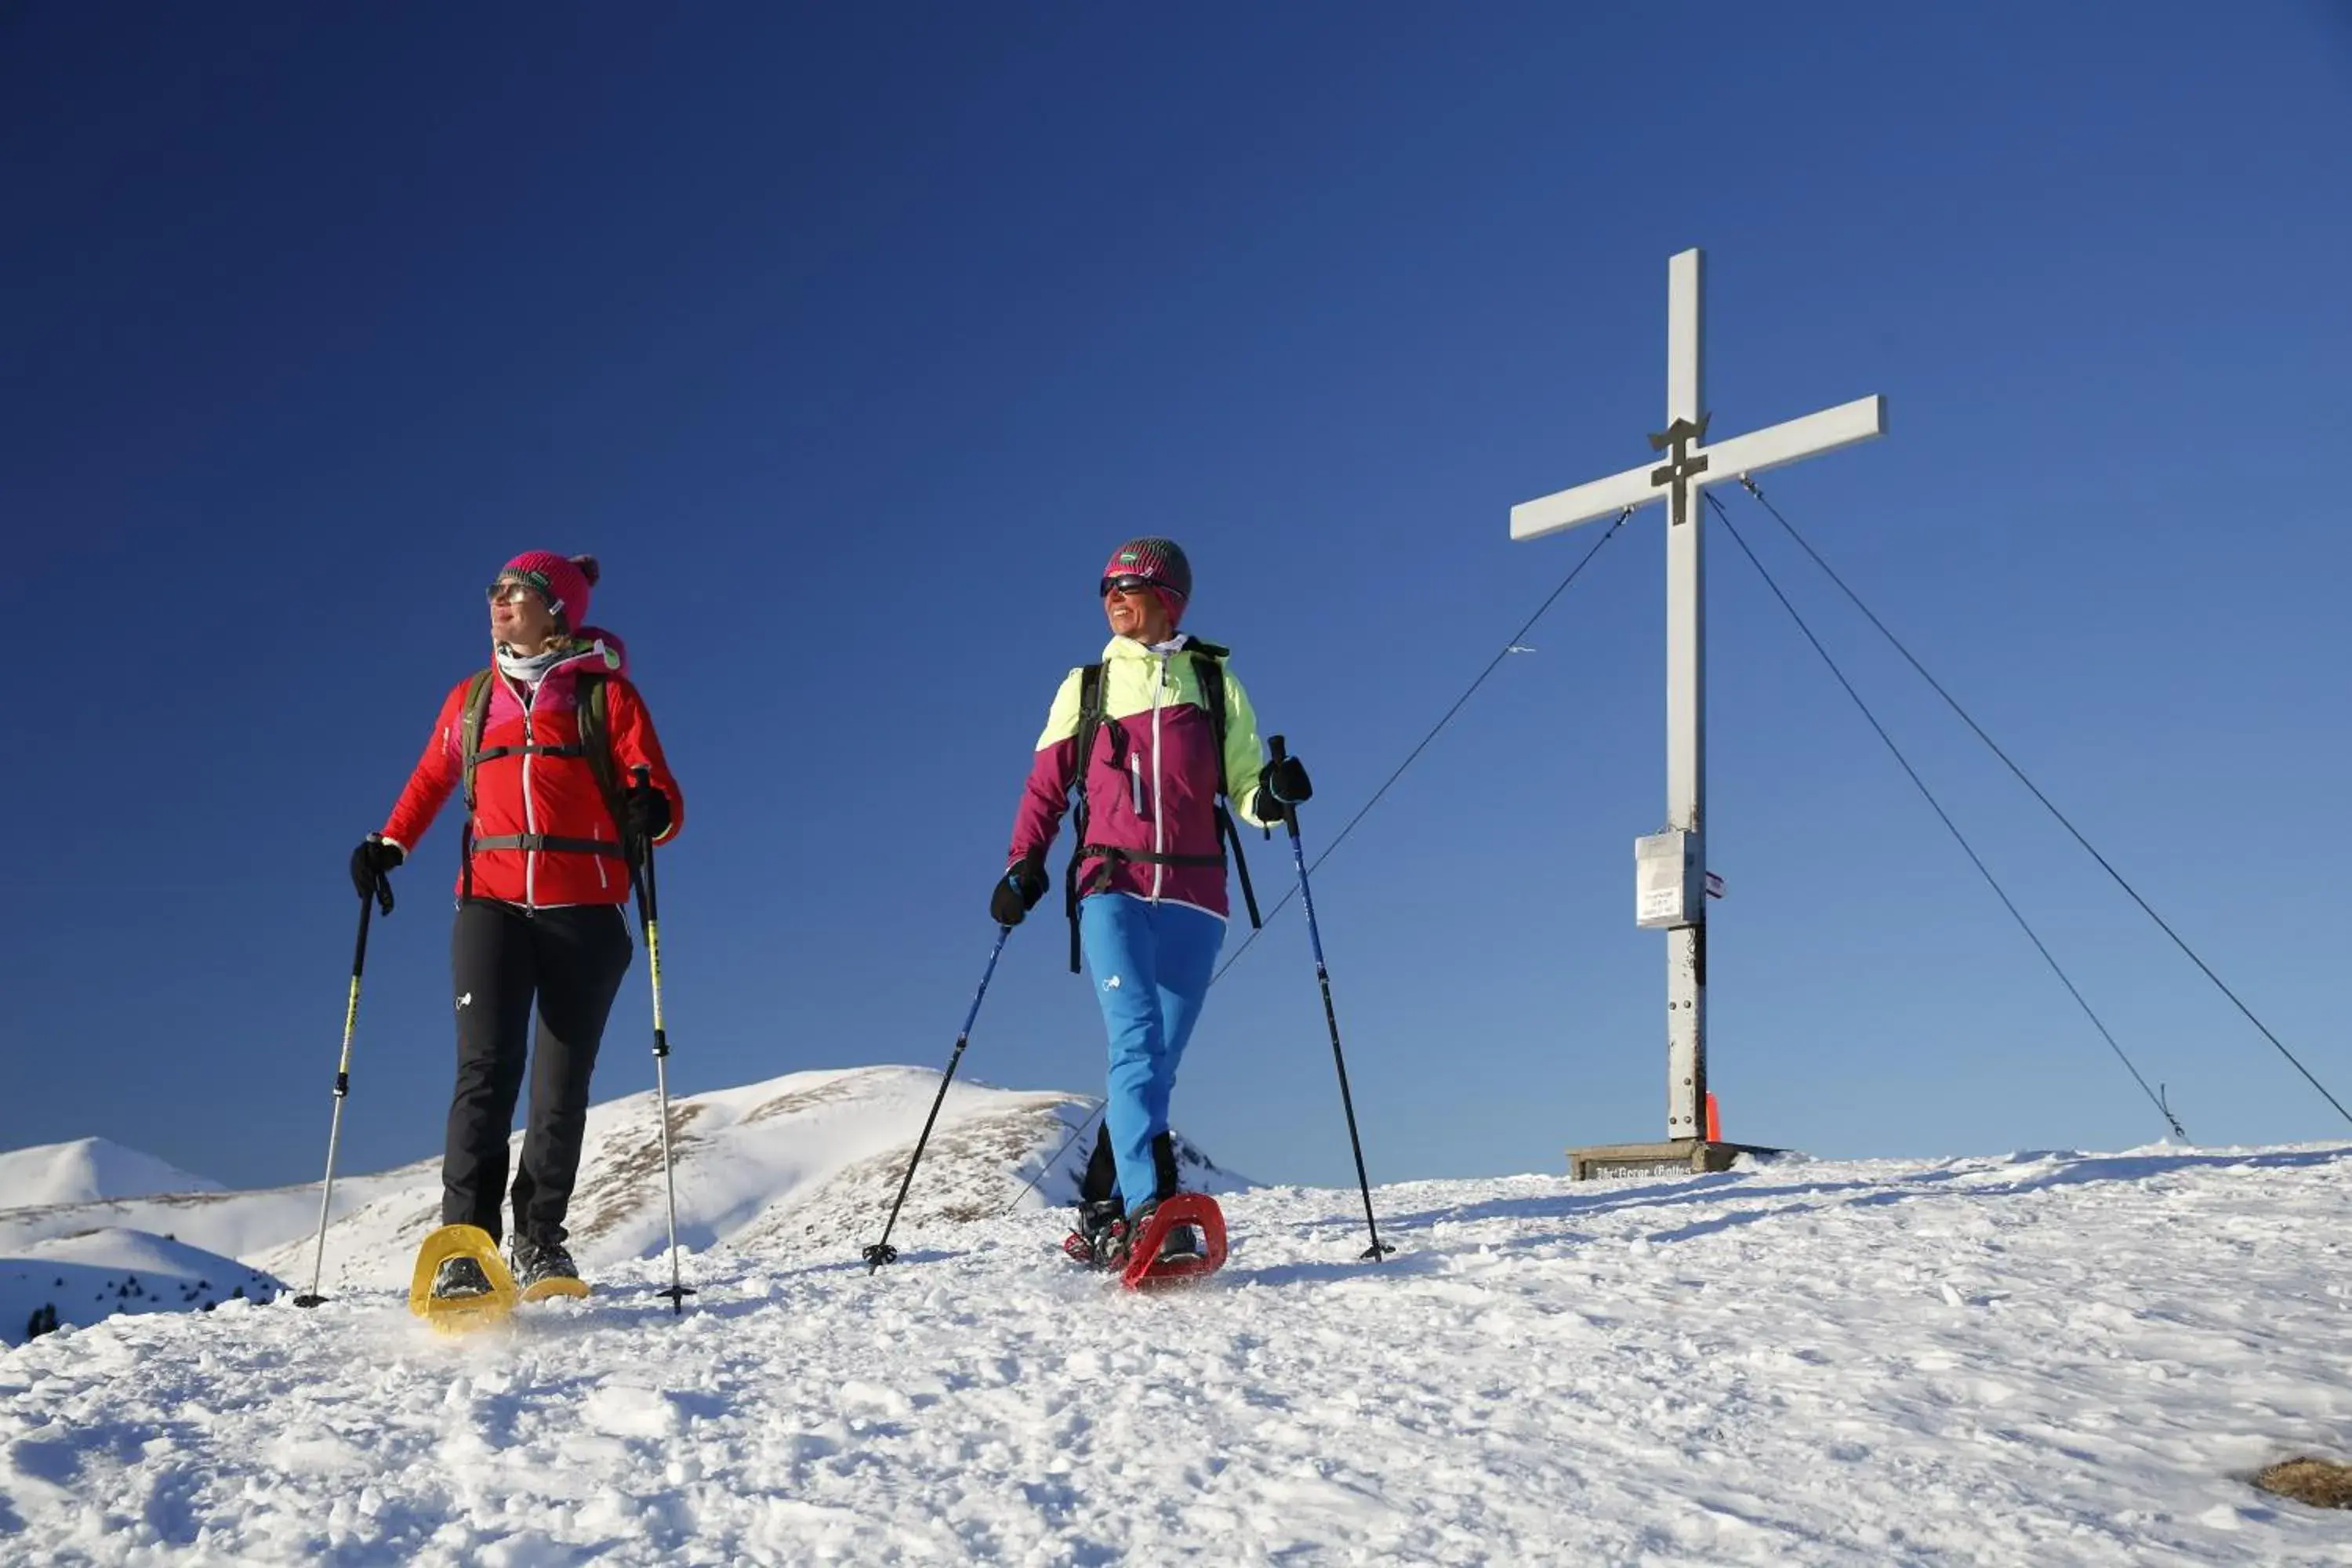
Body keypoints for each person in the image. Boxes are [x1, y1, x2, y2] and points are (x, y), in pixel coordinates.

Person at [349, 551, 683, 1299]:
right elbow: (433, 778)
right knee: (486, 1068)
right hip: (491, 904)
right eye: (495, 589)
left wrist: (653, 812)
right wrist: (390, 843)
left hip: (588, 911)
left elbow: (657, 787)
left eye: (516, 591)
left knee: (560, 1089)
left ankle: (541, 1242)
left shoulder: (607, 698)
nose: (498, 600)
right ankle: (464, 1249)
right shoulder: (472, 700)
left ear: (556, 607)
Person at [993, 537, 1311, 1268]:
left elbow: (1245, 788)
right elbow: (1046, 787)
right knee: (1134, 1044)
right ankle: (1151, 1212)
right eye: (1106, 585)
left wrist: (1275, 795)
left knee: (1155, 1067)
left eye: (1130, 585)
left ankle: (1103, 1206)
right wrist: (1022, 867)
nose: (1114, 595)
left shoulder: (1214, 681)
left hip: (1198, 896)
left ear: (1171, 599)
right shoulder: (1088, 686)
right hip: (1113, 886)